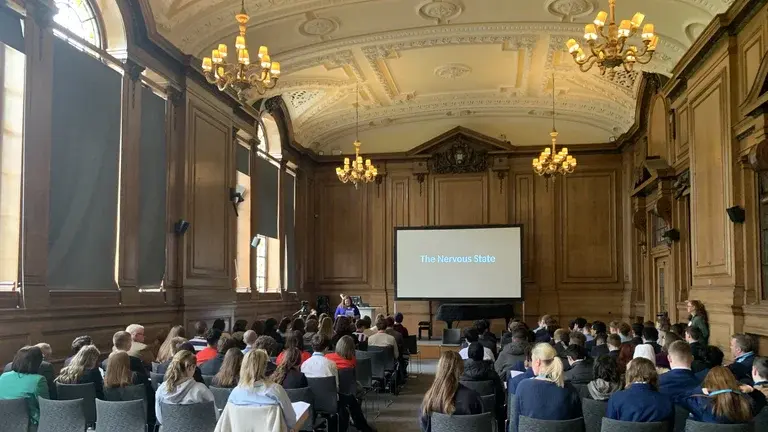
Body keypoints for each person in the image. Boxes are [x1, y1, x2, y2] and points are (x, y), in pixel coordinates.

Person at [514, 343, 581, 429]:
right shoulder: (570, 390)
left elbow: (515, 424)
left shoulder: (523, 386)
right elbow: (578, 426)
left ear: (537, 362)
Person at [420, 351, 483, 432]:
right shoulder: (473, 398)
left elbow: (425, 428)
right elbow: (480, 426)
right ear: (461, 370)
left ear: (439, 369)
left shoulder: (429, 399)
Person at [155, 350, 215, 425]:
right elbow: (214, 416)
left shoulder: (161, 389)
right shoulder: (201, 390)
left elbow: (160, 419)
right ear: (191, 367)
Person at [607, 357, 673, 423]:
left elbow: (610, 428)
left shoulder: (616, 399)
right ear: (654, 375)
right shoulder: (666, 401)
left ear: (629, 374)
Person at [681, 366, 754, 424]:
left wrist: (700, 390)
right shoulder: (746, 403)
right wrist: (751, 389)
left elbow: (682, 398)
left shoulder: (700, 403)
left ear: (708, 383)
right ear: (733, 382)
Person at [0, 346, 49, 428]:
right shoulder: (38, 380)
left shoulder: (3, 376)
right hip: (31, 425)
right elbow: (46, 406)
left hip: (4, 423)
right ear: (38, 362)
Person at [461, 342, 505, 431]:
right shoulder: (492, 374)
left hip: (464, 413)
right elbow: (500, 397)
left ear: (468, 354)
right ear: (482, 355)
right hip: (489, 414)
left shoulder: (460, 374)